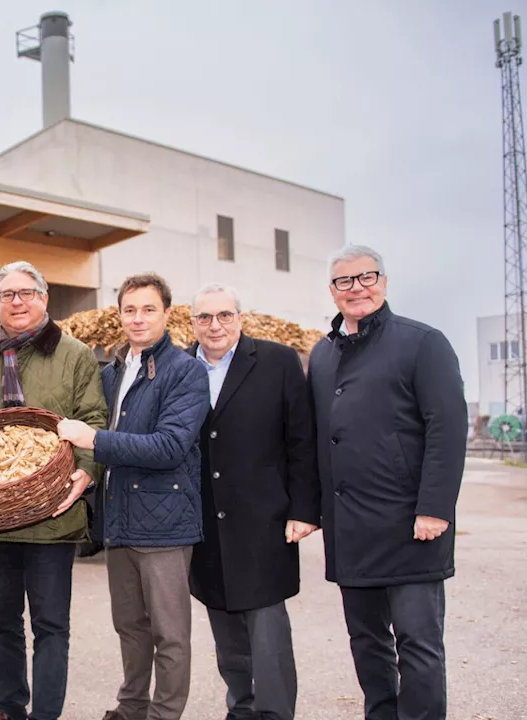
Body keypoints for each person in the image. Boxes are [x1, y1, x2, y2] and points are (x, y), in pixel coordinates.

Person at [0, 260, 108, 720]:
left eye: (26, 293)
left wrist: (88, 470)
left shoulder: (74, 354)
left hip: (53, 513)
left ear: (44, 298)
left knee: (51, 625)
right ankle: (11, 707)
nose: (17, 302)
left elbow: (95, 419)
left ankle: (46, 714)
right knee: (1, 624)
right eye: (6, 295)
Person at [308, 245, 467, 720]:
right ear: (332, 291)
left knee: (418, 643)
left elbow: (447, 427)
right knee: (367, 643)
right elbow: (316, 438)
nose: (357, 288)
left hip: (411, 525)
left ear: (384, 280)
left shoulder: (423, 342)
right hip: (350, 528)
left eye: (366, 277)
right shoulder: (322, 353)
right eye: (344, 281)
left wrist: (435, 507)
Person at [56, 273, 209, 720]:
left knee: (170, 633)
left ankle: (164, 715)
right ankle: (131, 708)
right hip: (120, 521)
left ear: (167, 313)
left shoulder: (186, 371)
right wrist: (87, 471)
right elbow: (97, 441)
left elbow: (169, 446)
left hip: (165, 524)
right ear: (118, 314)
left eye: (148, 309)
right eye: (130, 310)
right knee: (130, 627)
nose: (138, 318)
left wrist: (95, 441)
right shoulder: (114, 372)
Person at [187, 283, 320, 720]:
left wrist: (304, 509)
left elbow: (301, 440)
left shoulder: (277, 362)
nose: (215, 325)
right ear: (192, 324)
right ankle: (240, 709)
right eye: (205, 317)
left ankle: (275, 713)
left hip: (264, 519)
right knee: (225, 631)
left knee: (267, 635)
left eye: (224, 315)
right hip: (204, 522)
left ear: (241, 319)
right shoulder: (180, 367)